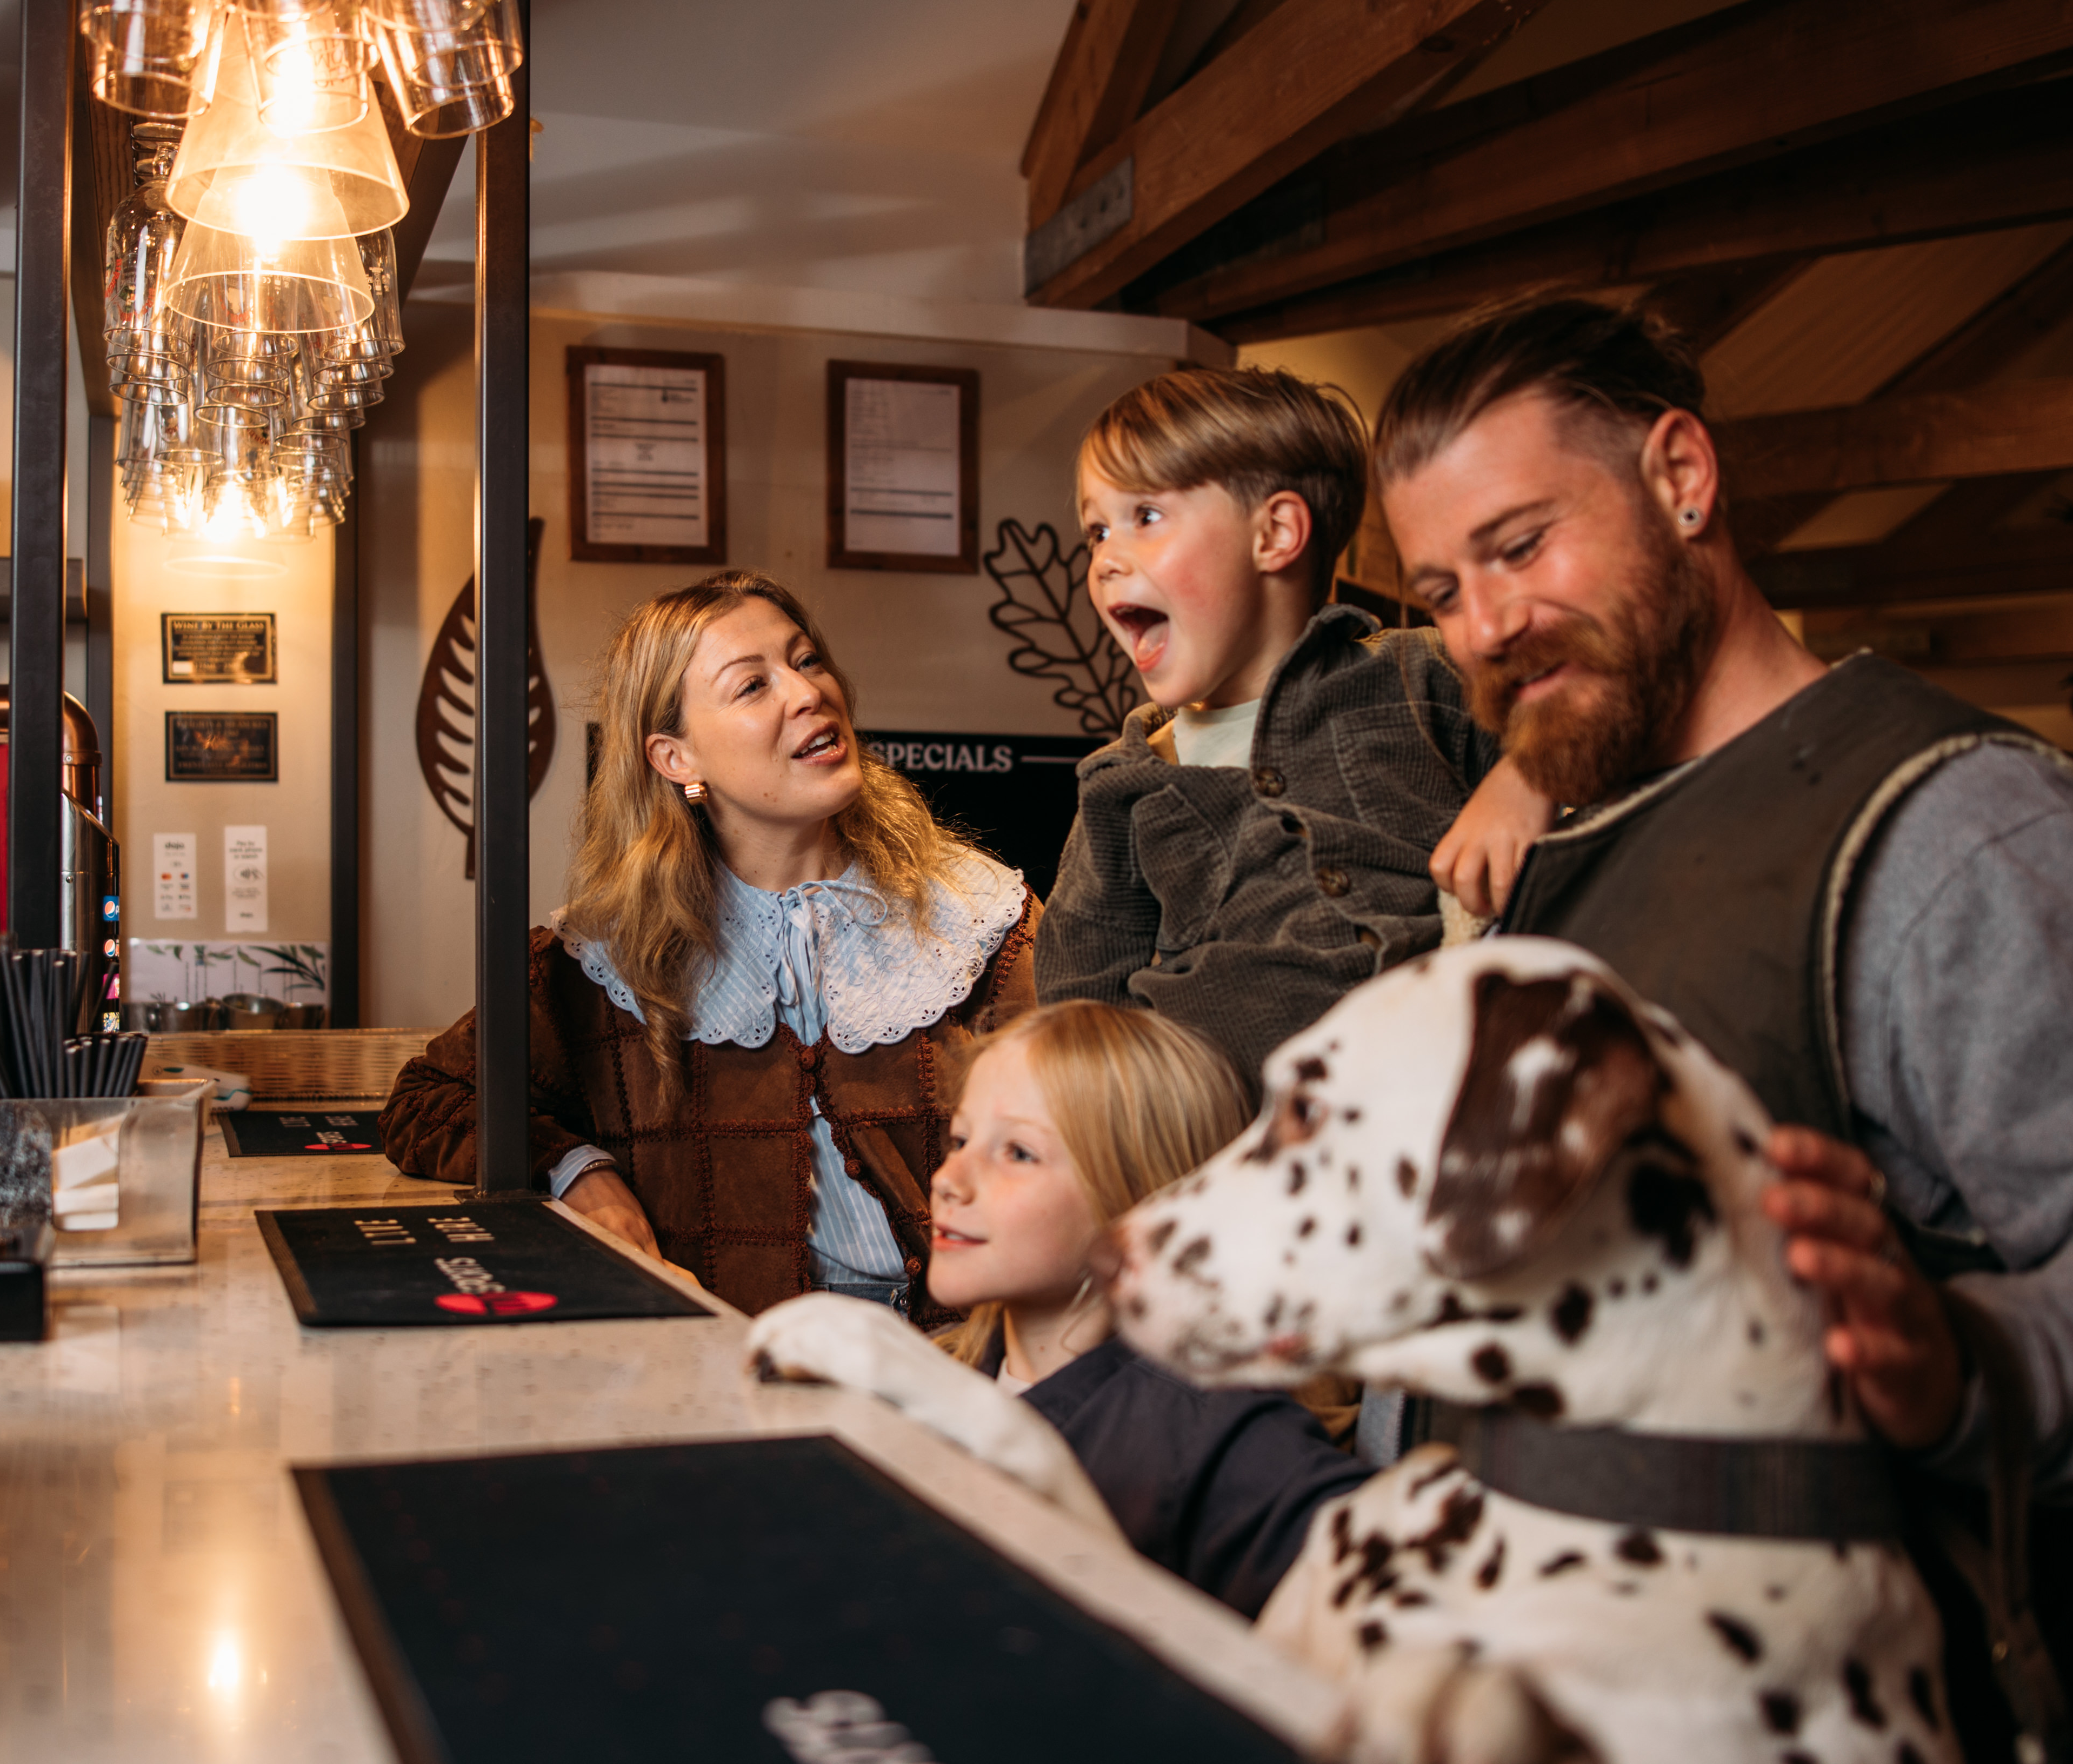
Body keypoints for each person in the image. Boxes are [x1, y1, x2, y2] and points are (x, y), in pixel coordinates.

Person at [1376, 293, 2073, 1764]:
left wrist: (1973, 1357)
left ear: (1684, 478)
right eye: (1441, 590)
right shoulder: (1588, 840)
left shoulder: (1959, 828)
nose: (1484, 627)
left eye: (1521, 545)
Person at [379, 570, 1038, 1319]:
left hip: (964, 1362)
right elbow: (427, 1100)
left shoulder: (978, 918)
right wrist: (573, 1167)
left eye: (807, 659)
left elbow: (1098, 1125)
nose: (806, 692)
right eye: (752, 686)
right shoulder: (602, 958)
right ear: (675, 759)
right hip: (725, 1368)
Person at [759, 999, 1368, 1618]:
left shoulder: (1214, 1433)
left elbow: (1394, 1590)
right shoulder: (950, 1377)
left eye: (1018, 1153)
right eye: (961, 1139)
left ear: (1143, 1208)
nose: (949, 1178)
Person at [1037, 366, 1551, 1094]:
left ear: (1275, 533)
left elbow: (1586, 723)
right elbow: (1081, 1017)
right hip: (1242, 1140)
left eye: (1145, 517)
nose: (1105, 560)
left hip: (1453, 1101)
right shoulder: (1126, 785)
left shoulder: (1421, 675)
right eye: (1096, 529)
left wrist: (1522, 777)